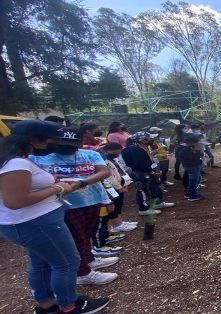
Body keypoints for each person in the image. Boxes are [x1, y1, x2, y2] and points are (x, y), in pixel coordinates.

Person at [0, 120, 110, 314]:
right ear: (33, 139)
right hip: (36, 222)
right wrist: (57, 188)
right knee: (67, 262)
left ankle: (47, 305)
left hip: (30, 222)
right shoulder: (17, 163)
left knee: (41, 262)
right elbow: (15, 200)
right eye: (50, 140)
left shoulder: (15, 160)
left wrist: (52, 182)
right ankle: (70, 306)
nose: (52, 144)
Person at [29, 127, 119, 286]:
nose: (67, 147)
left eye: (72, 144)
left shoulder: (90, 154)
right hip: (65, 205)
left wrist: (81, 183)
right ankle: (82, 273)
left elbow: (104, 172)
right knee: (75, 238)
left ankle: (88, 259)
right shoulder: (39, 159)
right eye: (63, 143)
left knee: (87, 233)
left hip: (92, 199)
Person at [121, 132, 173, 240]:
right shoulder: (134, 150)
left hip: (149, 171)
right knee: (142, 189)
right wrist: (150, 172)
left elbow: (148, 160)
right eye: (148, 138)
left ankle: (157, 202)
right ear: (142, 140)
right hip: (140, 173)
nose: (151, 140)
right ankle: (143, 208)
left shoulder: (144, 147)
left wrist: (153, 169)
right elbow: (137, 164)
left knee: (156, 186)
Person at [101, 142, 137, 233]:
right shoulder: (104, 162)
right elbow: (109, 177)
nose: (117, 154)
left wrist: (126, 184)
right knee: (114, 206)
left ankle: (120, 222)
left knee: (119, 204)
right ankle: (116, 225)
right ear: (107, 151)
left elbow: (122, 171)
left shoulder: (115, 160)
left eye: (118, 152)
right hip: (112, 188)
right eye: (115, 152)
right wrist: (119, 187)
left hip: (121, 184)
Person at [178, 135, 205, 201]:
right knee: (193, 181)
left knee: (195, 180)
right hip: (192, 166)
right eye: (195, 142)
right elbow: (195, 159)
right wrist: (198, 151)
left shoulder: (187, 148)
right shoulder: (185, 150)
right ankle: (192, 196)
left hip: (191, 166)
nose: (196, 144)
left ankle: (189, 193)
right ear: (190, 142)